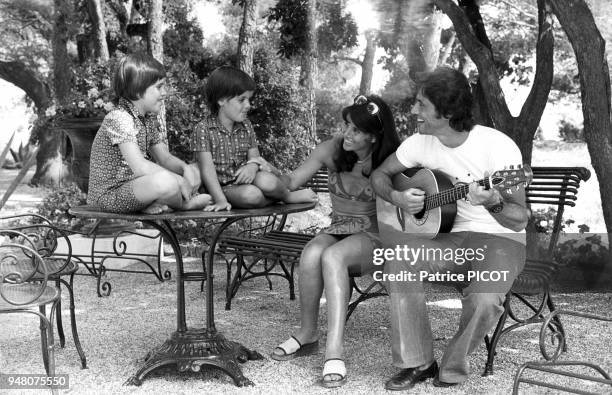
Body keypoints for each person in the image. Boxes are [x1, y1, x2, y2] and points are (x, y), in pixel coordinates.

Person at [370, 67, 529, 390]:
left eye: (422, 105)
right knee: (399, 258)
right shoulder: (420, 143)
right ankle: (418, 363)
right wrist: (399, 197)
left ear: (449, 112)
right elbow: (378, 177)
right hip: (451, 238)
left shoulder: (497, 147)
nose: (414, 111)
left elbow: (520, 217)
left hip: (501, 241)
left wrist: (493, 202)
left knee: (485, 300)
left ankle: (452, 366)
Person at [270, 94, 401, 388]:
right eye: (346, 125)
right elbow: (290, 181)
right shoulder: (332, 150)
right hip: (339, 229)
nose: (346, 133)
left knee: (333, 256)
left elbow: (417, 194)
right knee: (312, 251)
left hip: (375, 237)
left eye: (355, 129)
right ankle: (307, 334)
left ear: (374, 135)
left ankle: (334, 350)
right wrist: (262, 167)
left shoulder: (392, 159)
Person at [88, 53, 211, 214]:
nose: (165, 92)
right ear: (138, 90)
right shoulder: (119, 118)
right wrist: (178, 180)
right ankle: (184, 204)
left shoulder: (148, 120)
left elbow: (165, 158)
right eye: (159, 87)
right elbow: (140, 167)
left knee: (196, 169)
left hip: (136, 188)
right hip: (109, 196)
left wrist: (184, 169)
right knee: (165, 181)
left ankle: (157, 202)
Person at [191, 66, 317, 211]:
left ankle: (287, 196)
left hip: (249, 180)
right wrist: (220, 200)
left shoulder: (246, 125)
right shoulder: (203, 129)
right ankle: (279, 199)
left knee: (267, 181)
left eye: (249, 100)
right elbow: (208, 171)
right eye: (241, 100)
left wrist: (252, 167)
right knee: (251, 195)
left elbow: (255, 159)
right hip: (223, 188)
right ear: (221, 100)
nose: (248, 105)